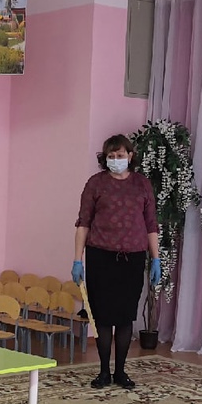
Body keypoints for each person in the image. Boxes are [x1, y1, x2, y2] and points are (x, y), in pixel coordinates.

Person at [71, 133, 161, 390]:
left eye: (120, 155)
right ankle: (103, 372)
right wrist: (77, 260)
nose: (115, 159)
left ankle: (120, 371)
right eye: (111, 156)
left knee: (124, 317)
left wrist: (156, 258)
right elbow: (83, 223)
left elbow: (151, 224)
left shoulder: (142, 184)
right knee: (102, 317)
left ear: (130, 156)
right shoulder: (96, 184)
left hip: (132, 259)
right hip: (101, 258)